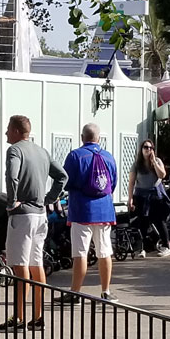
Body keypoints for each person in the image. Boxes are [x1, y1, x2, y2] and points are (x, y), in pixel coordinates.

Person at [0, 115, 67, 333]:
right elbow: (62, 176)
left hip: (22, 215)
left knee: (19, 265)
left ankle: (18, 317)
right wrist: (50, 198)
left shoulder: (14, 150)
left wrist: (12, 201)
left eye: (8, 129)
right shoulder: (41, 151)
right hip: (40, 214)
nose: (6, 133)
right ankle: (38, 316)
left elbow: (12, 176)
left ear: (16, 131)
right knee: (36, 264)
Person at [57, 123, 119, 305]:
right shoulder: (108, 157)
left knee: (80, 253)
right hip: (105, 210)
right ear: (99, 138)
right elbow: (112, 184)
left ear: (82, 136)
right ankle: (106, 291)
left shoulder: (75, 155)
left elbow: (66, 182)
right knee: (105, 251)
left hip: (82, 211)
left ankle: (75, 292)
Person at [127, 139, 170, 259]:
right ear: (141, 150)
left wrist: (154, 162)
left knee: (159, 220)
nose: (148, 150)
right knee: (142, 221)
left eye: (150, 148)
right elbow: (131, 182)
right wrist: (130, 198)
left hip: (155, 195)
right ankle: (143, 248)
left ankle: (166, 246)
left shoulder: (157, 161)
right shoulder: (137, 164)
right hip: (141, 195)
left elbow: (162, 175)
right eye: (145, 147)